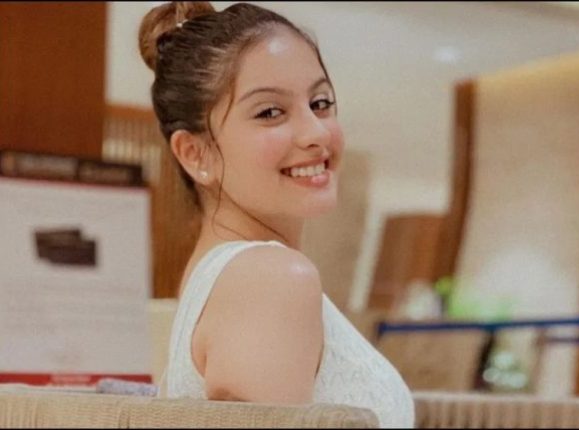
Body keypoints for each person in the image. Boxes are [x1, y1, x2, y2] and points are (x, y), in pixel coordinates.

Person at [138, 2, 414, 427]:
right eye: (270, 112)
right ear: (196, 154)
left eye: (320, 103)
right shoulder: (271, 279)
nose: (316, 132)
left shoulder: (229, 273)